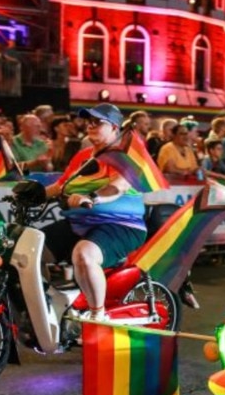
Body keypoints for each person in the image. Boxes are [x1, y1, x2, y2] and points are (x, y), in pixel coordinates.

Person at [42, 103, 148, 321]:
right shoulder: (83, 157)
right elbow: (60, 186)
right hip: (81, 223)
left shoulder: (127, 157)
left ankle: (97, 316)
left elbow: (116, 187)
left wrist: (92, 198)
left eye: (98, 121)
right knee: (30, 253)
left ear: (115, 128)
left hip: (122, 225)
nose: (90, 125)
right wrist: (29, 193)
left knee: (84, 254)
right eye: (88, 120)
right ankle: (46, 306)